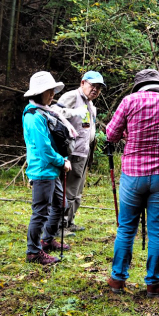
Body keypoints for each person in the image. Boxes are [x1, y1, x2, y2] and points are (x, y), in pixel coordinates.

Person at [105, 69, 159, 298]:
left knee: (125, 228)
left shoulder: (129, 101)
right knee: (158, 230)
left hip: (133, 174)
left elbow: (111, 134)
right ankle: (154, 284)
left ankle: (117, 279)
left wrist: (128, 132)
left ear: (139, 86)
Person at [23, 71, 73, 265]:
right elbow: (44, 150)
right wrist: (63, 162)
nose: (52, 94)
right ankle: (33, 252)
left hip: (51, 169)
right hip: (43, 170)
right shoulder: (34, 117)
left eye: (53, 91)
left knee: (61, 205)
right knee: (41, 212)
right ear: (38, 93)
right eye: (48, 91)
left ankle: (47, 240)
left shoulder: (44, 113)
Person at [57, 71, 105, 233]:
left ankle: (69, 221)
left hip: (84, 152)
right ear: (83, 82)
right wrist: (73, 113)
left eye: (99, 88)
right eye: (93, 86)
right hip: (71, 152)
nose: (95, 90)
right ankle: (60, 224)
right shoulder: (72, 96)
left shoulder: (90, 103)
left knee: (77, 190)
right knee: (68, 188)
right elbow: (54, 114)